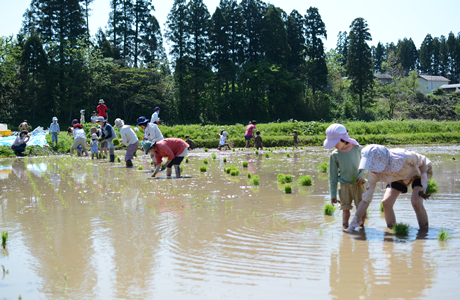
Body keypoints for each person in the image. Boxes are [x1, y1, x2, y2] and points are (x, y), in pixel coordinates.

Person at [347, 144, 432, 231]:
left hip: (419, 172)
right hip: (398, 176)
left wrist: (424, 180)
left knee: (416, 201)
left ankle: (424, 233)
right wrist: (355, 219)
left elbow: (423, 161)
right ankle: (392, 231)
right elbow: (366, 199)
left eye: (374, 164)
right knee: (386, 202)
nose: (372, 169)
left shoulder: (402, 157)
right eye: (370, 165)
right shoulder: (374, 175)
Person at [324, 124, 366, 229]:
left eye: (335, 143)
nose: (334, 146)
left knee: (361, 209)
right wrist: (333, 194)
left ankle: (361, 227)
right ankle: (345, 227)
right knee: (345, 209)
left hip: (359, 184)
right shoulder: (335, 155)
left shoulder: (359, 149)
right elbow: (333, 176)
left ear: (343, 139)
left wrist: (361, 175)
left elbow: (366, 165)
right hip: (344, 186)